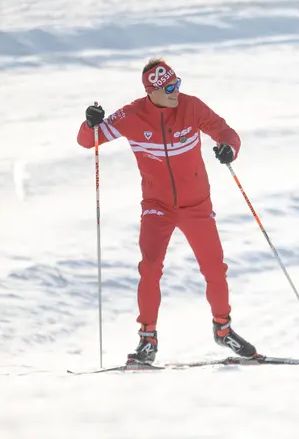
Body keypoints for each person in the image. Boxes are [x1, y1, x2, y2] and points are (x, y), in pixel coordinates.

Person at [76, 57, 258, 366]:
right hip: (157, 207)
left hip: (197, 205)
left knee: (214, 268)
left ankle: (223, 329)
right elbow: (86, 141)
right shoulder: (131, 115)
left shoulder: (191, 107)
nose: (176, 91)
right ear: (152, 91)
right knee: (149, 267)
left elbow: (225, 131)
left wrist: (229, 148)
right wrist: (90, 122)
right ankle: (147, 339)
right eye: (169, 87)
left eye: (177, 84)